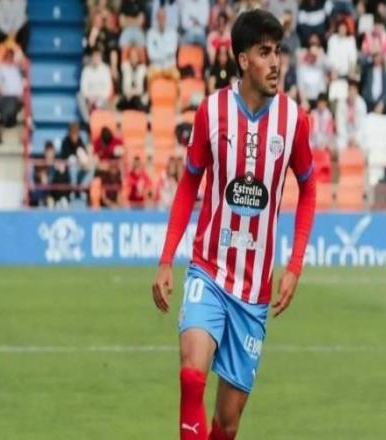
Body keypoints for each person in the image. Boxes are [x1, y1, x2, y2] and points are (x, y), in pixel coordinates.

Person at [152, 9, 316, 440]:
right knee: (191, 375)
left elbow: (309, 189)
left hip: (254, 291)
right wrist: (167, 258)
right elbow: (189, 183)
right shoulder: (212, 112)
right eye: (264, 53)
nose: (275, 62)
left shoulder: (293, 121)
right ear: (243, 60)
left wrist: (295, 265)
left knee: (226, 424)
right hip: (208, 270)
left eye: (277, 52)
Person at [77, 48, 113, 124]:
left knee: (105, 104)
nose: (96, 59)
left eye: (98, 57)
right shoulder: (86, 70)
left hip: (102, 97)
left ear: (101, 58)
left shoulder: (106, 69)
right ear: (91, 58)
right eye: (94, 57)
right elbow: (83, 88)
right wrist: (89, 97)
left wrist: (97, 98)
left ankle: (103, 123)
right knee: (79, 96)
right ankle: (88, 122)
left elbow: (108, 89)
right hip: (89, 97)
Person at [146, 7, 179, 80]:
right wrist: (165, 54)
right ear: (156, 18)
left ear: (166, 18)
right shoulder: (150, 33)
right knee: (148, 75)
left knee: (177, 75)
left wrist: (159, 53)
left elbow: (172, 51)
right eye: (159, 17)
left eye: (163, 17)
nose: (161, 19)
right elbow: (151, 54)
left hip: (169, 66)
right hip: (155, 67)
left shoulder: (172, 32)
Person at [117, 45, 148, 111]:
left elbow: (143, 89)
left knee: (139, 102)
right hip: (126, 96)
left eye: (135, 56)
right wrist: (128, 93)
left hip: (139, 97)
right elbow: (122, 87)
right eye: (131, 56)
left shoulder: (143, 69)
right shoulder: (124, 68)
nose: (133, 58)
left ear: (138, 58)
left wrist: (133, 93)